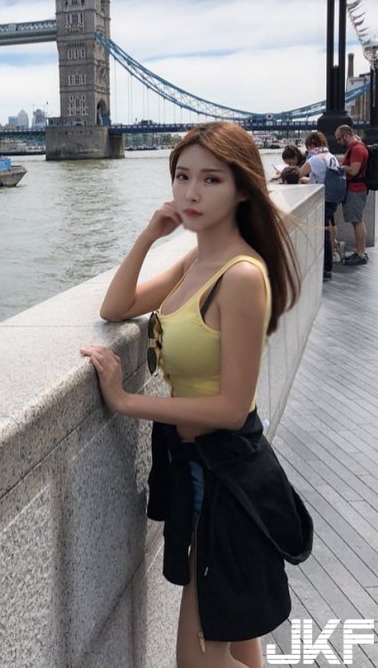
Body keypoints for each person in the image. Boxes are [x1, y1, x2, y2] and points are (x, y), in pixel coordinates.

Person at [80, 121, 312, 668]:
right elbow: (116, 308)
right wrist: (149, 236)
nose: (191, 192)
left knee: (199, 660)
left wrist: (125, 401)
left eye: (211, 179)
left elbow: (231, 408)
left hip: (230, 476)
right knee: (236, 643)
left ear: (242, 190)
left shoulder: (240, 277)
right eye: (182, 176)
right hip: (197, 470)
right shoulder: (195, 262)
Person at [299, 130, 339, 281]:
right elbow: (320, 177)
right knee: (325, 231)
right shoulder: (331, 157)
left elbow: (296, 174)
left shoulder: (315, 159)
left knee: (323, 234)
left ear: (311, 145)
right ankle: (327, 267)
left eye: (308, 147)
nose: (307, 150)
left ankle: (326, 269)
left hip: (323, 199)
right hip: (332, 198)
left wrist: (281, 174)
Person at [335, 124, 369, 265]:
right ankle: (359, 251)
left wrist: (341, 168)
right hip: (354, 189)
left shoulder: (357, 149)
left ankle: (361, 254)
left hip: (356, 189)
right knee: (356, 221)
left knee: (357, 221)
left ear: (345, 135)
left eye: (339, 139)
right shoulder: (355, 147)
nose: (338, 142)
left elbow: (354, 170)